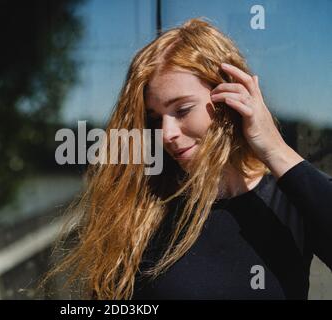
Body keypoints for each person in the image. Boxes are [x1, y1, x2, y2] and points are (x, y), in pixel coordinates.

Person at [41, 18, 332, 300]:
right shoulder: (146, 209)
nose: (166, 133)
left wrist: (274, 149)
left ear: (229, 98)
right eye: (155, 119)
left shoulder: (290, 199)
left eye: (182, 110)